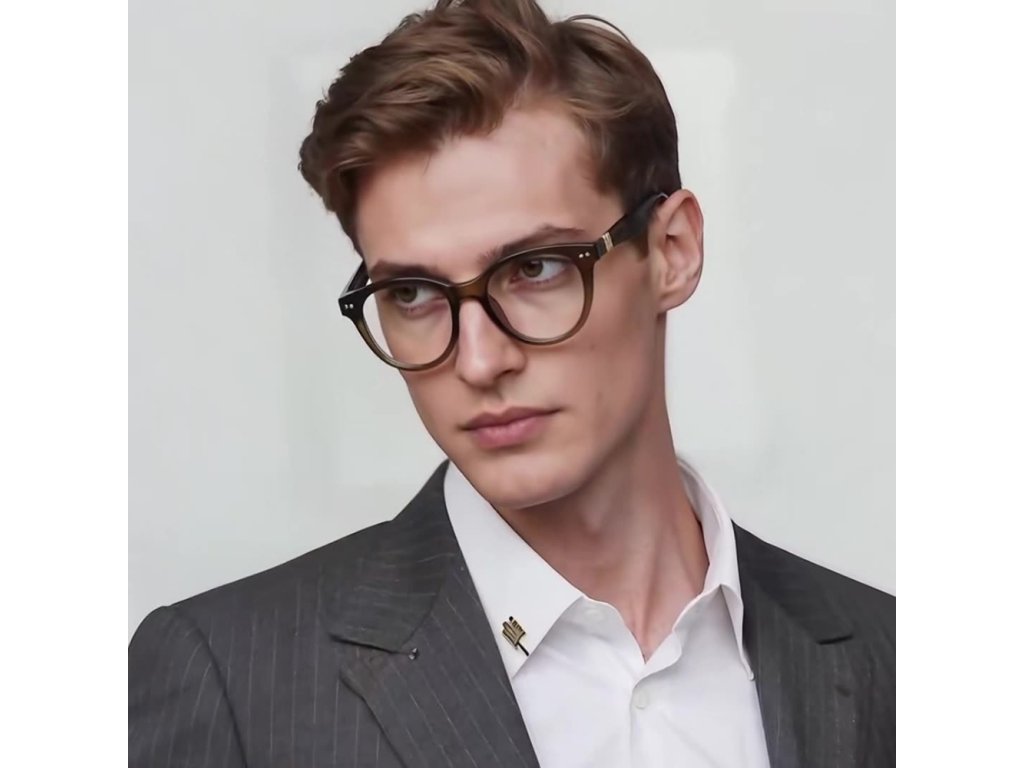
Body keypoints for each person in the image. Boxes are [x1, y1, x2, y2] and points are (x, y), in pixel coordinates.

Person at [128, 0, 895, 766]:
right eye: (413, 294)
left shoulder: (894, 664)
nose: (479, 360)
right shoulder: (234, 684)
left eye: (535, 269)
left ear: (672, 251)